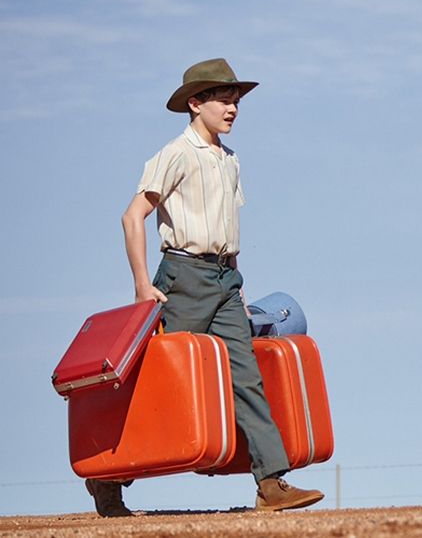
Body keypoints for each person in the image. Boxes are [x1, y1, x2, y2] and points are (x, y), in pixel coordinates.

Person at [85, 58, 324, 517]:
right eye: (223, 100)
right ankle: (106, 477)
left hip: (223, 280)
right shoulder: (175, 153)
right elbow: (132, 216)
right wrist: (140, 284)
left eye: (235, 101)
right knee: (156, 381)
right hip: (182, 278)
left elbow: (227, 232)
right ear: (195, 104)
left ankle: (271, 483)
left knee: (247, 377)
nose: (232, 109)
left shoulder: (230, 161)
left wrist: (235, 285)